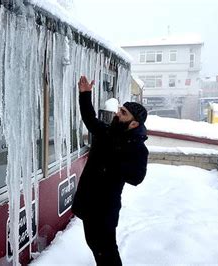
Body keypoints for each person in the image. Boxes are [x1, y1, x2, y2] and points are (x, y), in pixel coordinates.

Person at [71, 76, 149, 265]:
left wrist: (111, 163)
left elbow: (137, 177)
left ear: (134, 123)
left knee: (106, 251)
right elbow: (89, 118)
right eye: (119, 110)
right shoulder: (106, 133)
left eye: (123, 113)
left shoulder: (137, 147)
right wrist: (85, 94)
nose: (117, 113)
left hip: (105, 208)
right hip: (88, 202)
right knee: (95, 246)